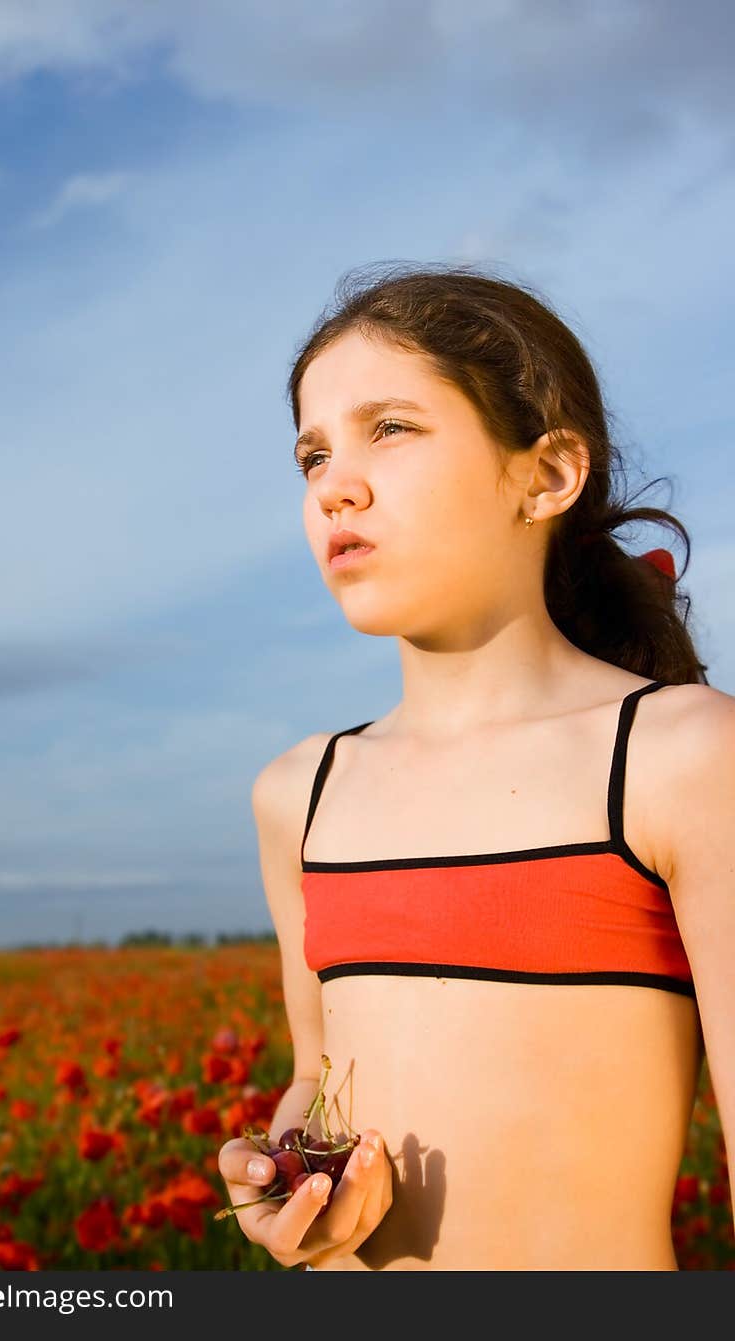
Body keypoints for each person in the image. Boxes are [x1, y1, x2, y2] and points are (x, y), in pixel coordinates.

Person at [216, 264, 734, 1270]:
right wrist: (280, 1182)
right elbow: (315, 1075)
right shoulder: (297, 794)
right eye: (312, 455)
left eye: (391, 429)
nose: (336, 484)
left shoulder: (678, 755)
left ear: (546, 475)